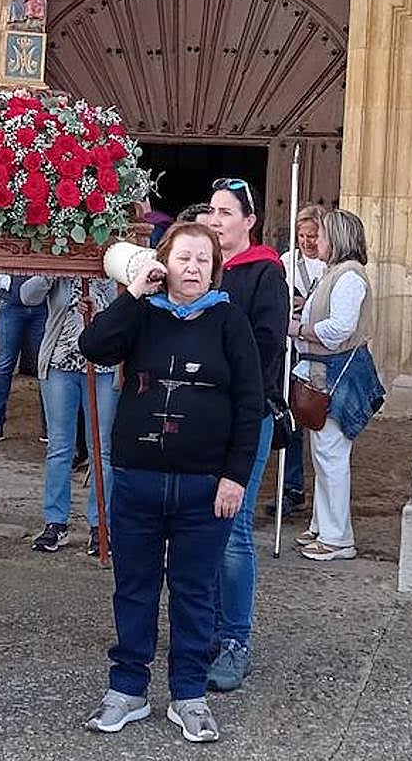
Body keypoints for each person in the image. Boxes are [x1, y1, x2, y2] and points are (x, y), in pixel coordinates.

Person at [78, 223, 264, 743]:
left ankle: (188, 695)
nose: (192, 268)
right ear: (164, 261)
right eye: (183, 257)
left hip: (204, 486)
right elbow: (95, 346)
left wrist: (235, 477)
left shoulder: (229, 321)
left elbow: (250, 403)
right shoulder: (142, 314)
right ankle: (128, 689)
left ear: (214, 269)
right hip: (138, 479)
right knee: (133, 588)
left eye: (203, 260)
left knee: (194, 592)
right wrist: (137, 290)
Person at [204, 177, 289, 692]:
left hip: (243, 414)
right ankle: (207, 630)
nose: (216, 221)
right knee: (201, 524)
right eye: (211, 212)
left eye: (226, 213)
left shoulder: (264, 274)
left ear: (248, 221)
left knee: (233, 529)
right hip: (200, 417)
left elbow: (266, 346)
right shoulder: (198, 268)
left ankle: (235, 639)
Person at [288, 209, 385, 561]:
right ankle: (322, 525)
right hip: (324, 372)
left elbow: (338, 329)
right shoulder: (336, 274)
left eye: (324, 235)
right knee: (324, 452)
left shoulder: (349, 277)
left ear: (338, 239)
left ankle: (337, 537)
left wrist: (298, 329)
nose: (318, 241)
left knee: (331, 454)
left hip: (337, 372)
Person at [20, 274, 117, 555]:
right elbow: (27, 296)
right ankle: (55, 523)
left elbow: (125, 309)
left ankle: (101, 524)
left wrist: (99, 309)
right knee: (60, 446)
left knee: (102, 448)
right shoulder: (61, 270)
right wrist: (49, 274)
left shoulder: (113, 268)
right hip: (60, 363)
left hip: (103, 367)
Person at [270, 204, 326, 518]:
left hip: (317, 350)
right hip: (289, 347)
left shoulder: (332, 266)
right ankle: (292, 486)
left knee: (316, 417)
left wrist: (308, 305)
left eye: (313, 236)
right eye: (302, 235)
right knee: (289, 418)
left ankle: (322, 495)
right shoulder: (287, 262)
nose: (306, 242)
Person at [0, 274, 47, 445]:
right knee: (5, 365)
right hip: (13, 303)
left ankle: (49, 426)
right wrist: (8, 283)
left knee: (43, 366)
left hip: (38, 303)